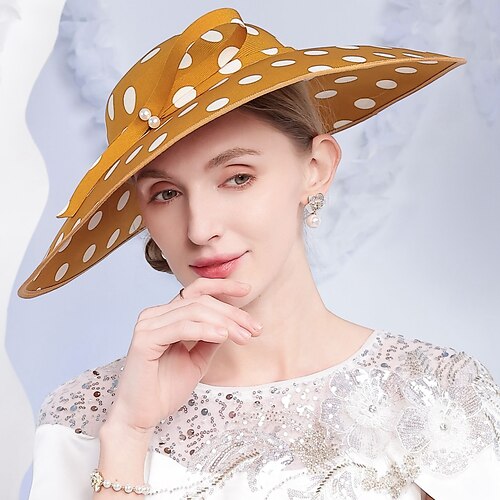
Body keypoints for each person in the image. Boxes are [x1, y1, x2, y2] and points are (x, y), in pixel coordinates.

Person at [19, 7, 500, 500]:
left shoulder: (438, 394)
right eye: (166, 193)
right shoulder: (85, 417)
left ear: (316, 168)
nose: (200, 228)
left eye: (237, 178)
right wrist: (128, 434)